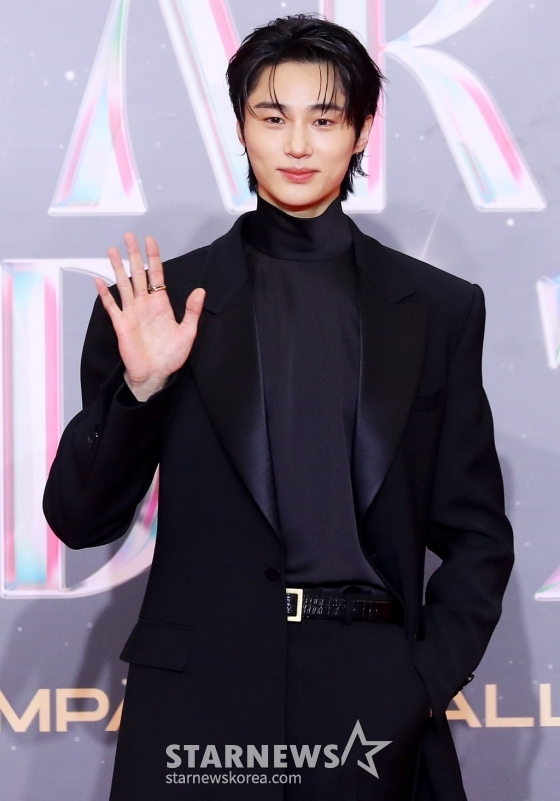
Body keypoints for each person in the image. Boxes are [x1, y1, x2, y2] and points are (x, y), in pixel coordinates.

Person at [43, 13, 514, 801]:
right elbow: (81, 520)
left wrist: (422, 678)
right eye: (273, 117)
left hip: (371, 704)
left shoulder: (437, 309)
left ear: (362, 131)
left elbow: (476, 533)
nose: (297, 144)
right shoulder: (160, 304)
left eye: (323, 119)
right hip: (201, 702)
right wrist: (142, 388)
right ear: (240, 128)